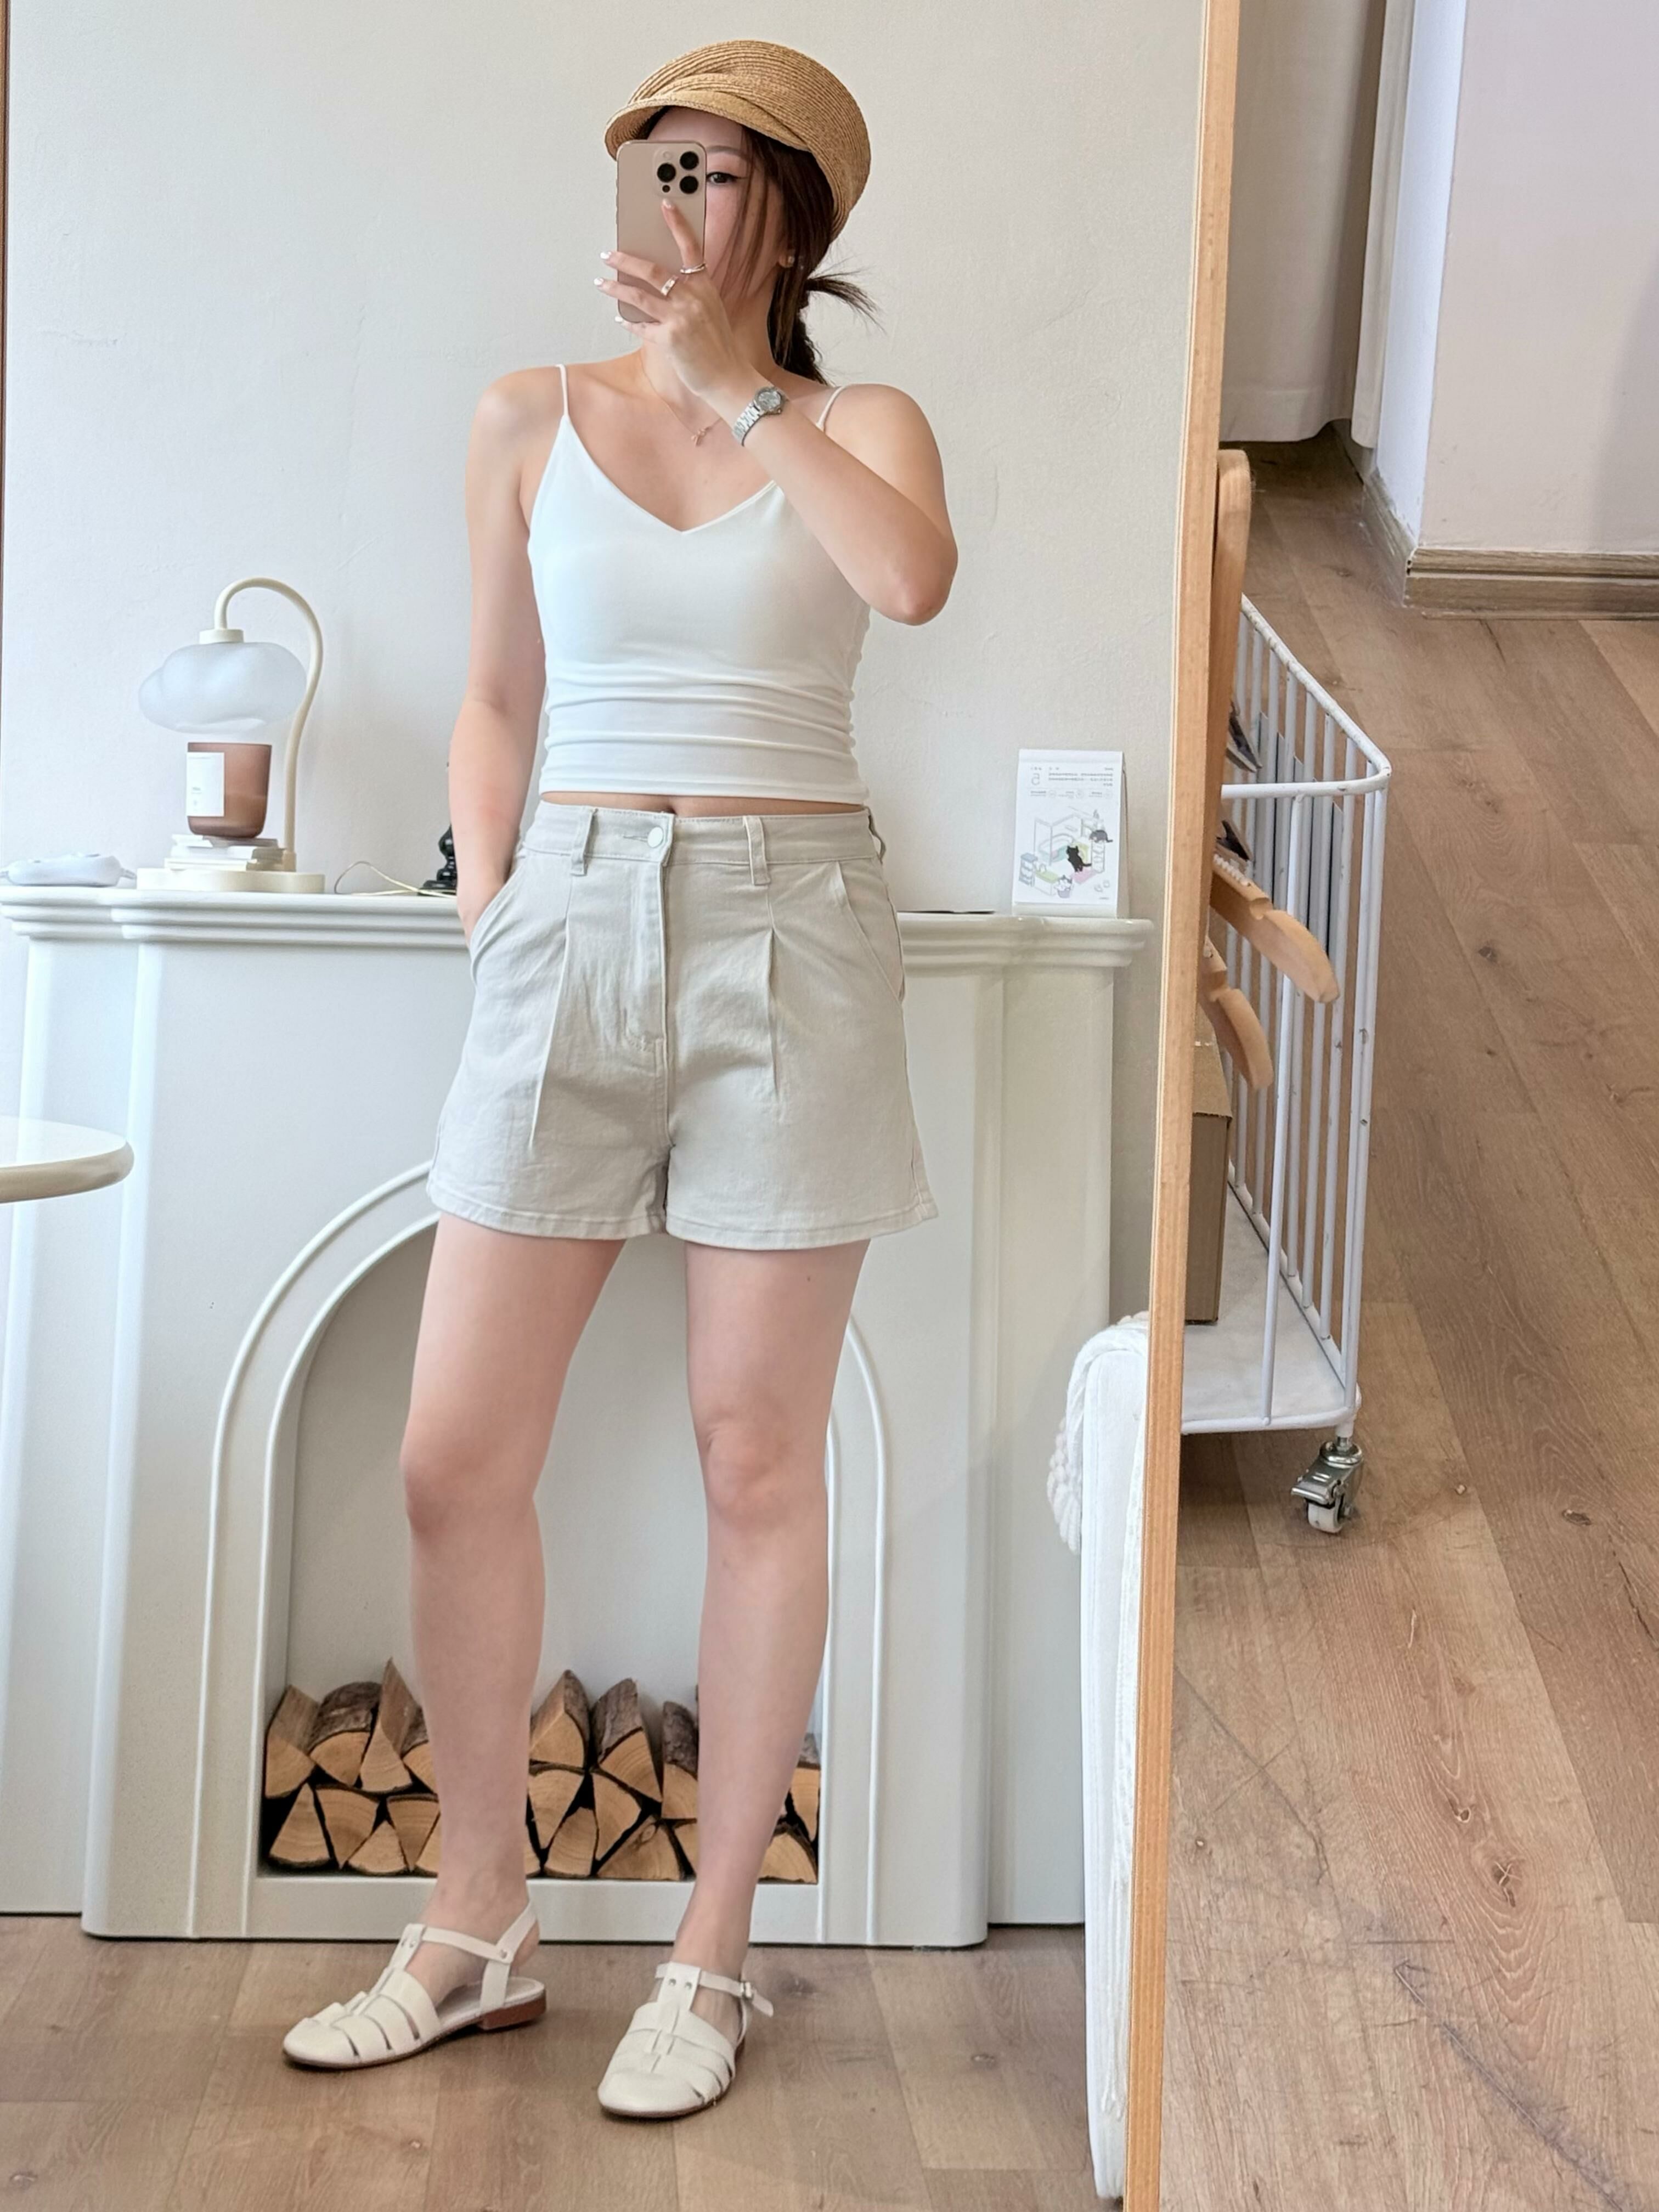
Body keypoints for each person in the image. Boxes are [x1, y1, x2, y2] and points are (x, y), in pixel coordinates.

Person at [281, 37, 956, 2117]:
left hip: (793, 937)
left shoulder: (860, 427)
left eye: (714, 173)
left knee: (759, 1459)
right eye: (653, 165)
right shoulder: (526, 414)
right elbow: (496, 691)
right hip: (566, 922)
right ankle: (475, 1921)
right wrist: (496, 898)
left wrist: (743, 389)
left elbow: (911, 581)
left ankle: (710, 1957)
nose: (672, 203)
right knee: (453, 1455)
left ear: (790, 216)